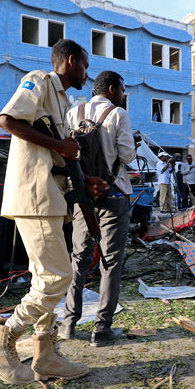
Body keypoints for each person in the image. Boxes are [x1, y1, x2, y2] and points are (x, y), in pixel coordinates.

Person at [0, 39, 106, 384]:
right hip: (33, 195)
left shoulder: (62, 100)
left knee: (44, 278)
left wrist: (86, 179)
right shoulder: (38, 80)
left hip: (50, 196)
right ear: (71, 61)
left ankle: (45, 354)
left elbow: (54, 154)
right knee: (56, 277)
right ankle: (2, 340)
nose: (86, 73)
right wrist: (62, 146)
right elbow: (8, 120)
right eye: (85, 66)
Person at [60, 70, 136, 347]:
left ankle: (68, 323)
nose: (123, 95)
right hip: (113, 193)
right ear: (114, 89)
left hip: (82, 196)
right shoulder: (118, 114)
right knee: (111, 262)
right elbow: (127, 155)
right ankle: (101, 330)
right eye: (122, 90)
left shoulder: (73, 111)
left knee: (78, 258)